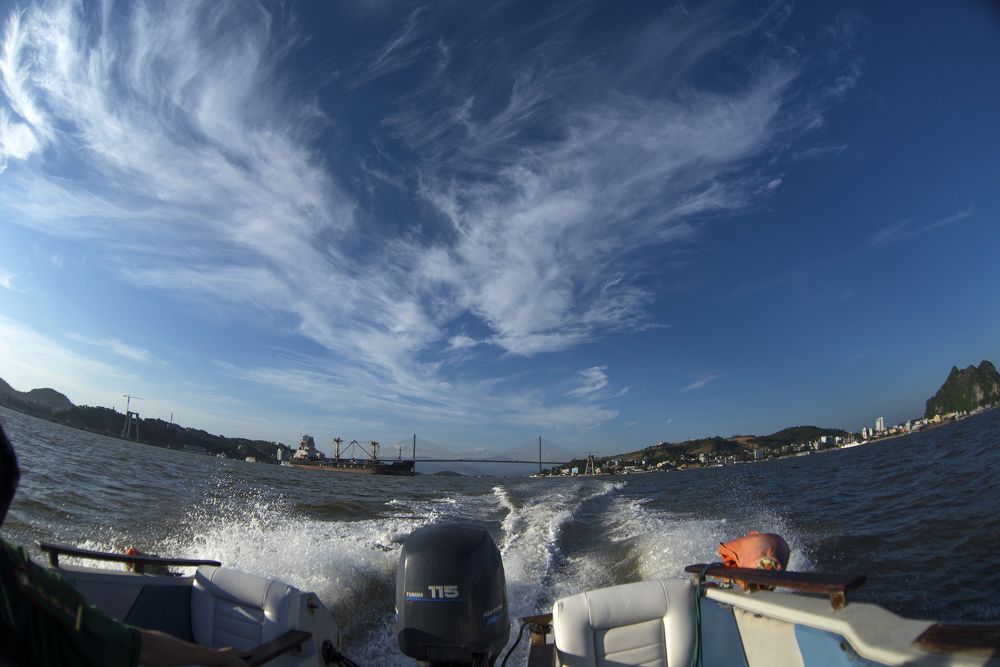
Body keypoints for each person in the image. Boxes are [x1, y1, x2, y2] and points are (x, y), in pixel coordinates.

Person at [0, 420, 248, 667]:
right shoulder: (21, 580)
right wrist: (217, 657)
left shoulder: (17, 577)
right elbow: (134, 646)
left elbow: (130, 644)